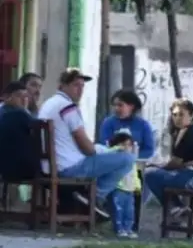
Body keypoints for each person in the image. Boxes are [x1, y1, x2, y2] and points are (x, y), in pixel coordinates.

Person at [37, 68, 135, 217]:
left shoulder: (48, 104)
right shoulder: (67, 107)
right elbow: (87, 148)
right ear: (62, 85)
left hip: (50, 167)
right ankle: (94, 197)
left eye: (82, 86)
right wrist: (105, 151)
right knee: (127, 158)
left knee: (107, 154)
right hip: (69, 168)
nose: (80, 90)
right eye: (76, 85)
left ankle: (85, 196)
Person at [142, 98, 193, 221]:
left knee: (150, 174)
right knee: (156, 175)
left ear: (191, 115)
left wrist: (158, 166)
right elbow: (178, 163)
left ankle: (175, 207)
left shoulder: (190, 133)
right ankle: (176, 210)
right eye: (175, 115)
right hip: (191, 176)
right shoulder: (182, 132)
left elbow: (175, 163)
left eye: (181, 114)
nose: (177, 118)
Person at [103, 130, 141, 238]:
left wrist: (137, 186)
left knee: (130, 211)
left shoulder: (131, 160)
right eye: (123, 144)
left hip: (130, 189)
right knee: (118, 210)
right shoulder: (114, 157)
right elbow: (110, 151)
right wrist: (117, 148)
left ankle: (128, 229)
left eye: (128, 145)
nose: (126, 147)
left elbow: (135, 174)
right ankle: (119, 229)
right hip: (118, 188)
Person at [99, 90, 157, 160]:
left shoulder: (143, 125)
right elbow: (104, 146)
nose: (116, 108)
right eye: (114, 105)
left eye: (120, 105)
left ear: (131, 106)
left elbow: (149, 150)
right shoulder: (108, 123)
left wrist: (132, 157)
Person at [0, 81, 39, 183]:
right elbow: (37, 128)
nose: (23, 100)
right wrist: (25, 110)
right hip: (15, 168)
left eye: (26, 97)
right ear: (5, 97)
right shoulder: (16, 114)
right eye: (19, 96)